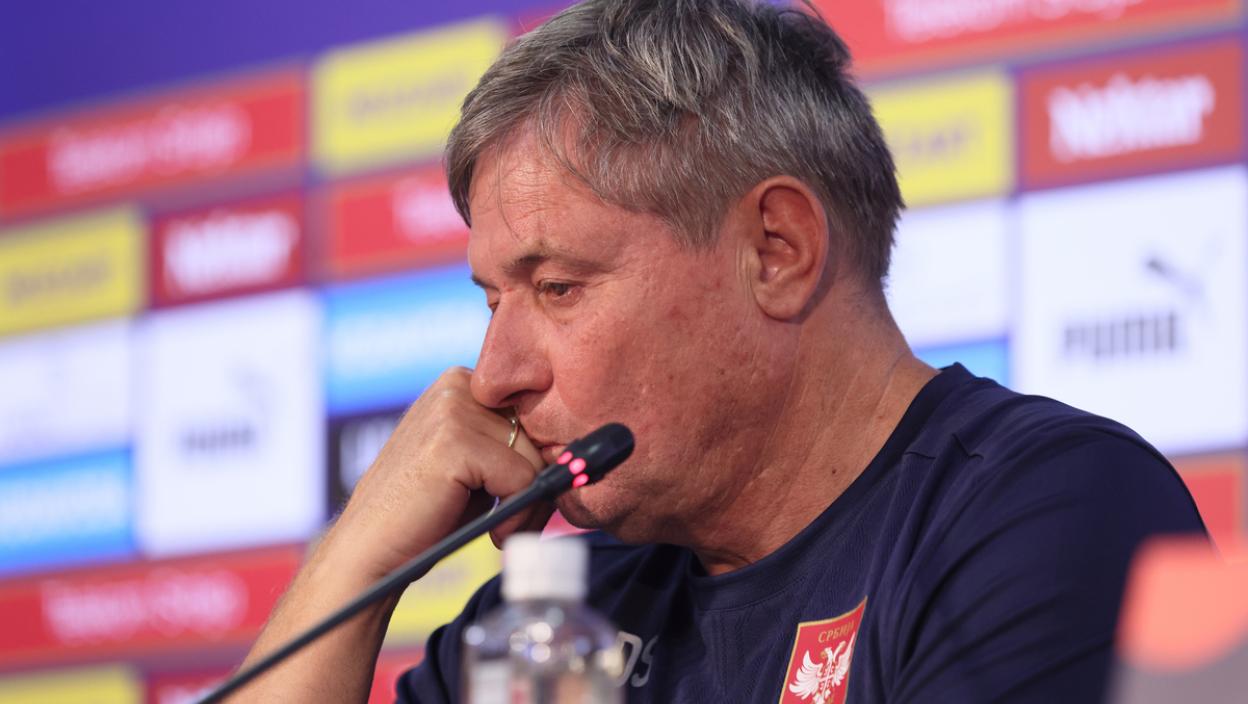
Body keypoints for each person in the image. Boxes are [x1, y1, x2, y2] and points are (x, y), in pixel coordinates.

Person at [235, 1, 1206, 701]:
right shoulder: (559, 621)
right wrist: (353, 563)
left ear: (775, 250)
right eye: (493, 301)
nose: (495, 373)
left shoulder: (1068, 509)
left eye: (558, 286)